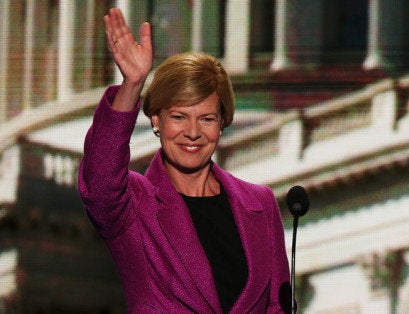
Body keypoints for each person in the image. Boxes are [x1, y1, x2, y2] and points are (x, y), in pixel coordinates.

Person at [78, 8, 292, 313]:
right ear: (156, 120)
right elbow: (98, 180)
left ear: (222, 123)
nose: (193, 132)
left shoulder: (260, 203)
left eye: (206, 118)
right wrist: (132, 85)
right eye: (179, 117)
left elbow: (276, 307)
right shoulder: (135, 204)